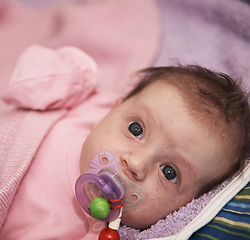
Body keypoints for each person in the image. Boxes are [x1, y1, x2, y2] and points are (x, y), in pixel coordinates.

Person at [79, 65, 250, 229]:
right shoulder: (81, 105)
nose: (136, 164)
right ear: (110, 112)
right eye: (135, 129)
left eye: (169, 172)